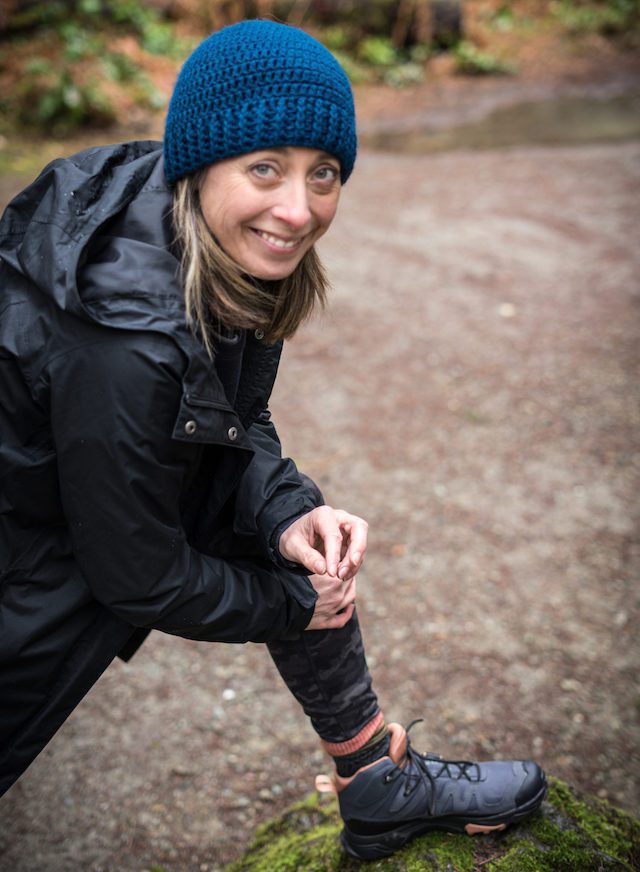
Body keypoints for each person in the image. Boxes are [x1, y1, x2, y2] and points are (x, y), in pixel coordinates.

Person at [0, 19, 546, 860]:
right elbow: (136, 577)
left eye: (322, 174)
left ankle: (374, 779)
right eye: (266, 169)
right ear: (201, 159)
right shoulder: (127, 342)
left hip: (64, 510)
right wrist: (297, 604)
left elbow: (228, 421)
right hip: (19, 567)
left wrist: (291, 512)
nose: (298, 210)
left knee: (294, 542)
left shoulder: (208, 237)